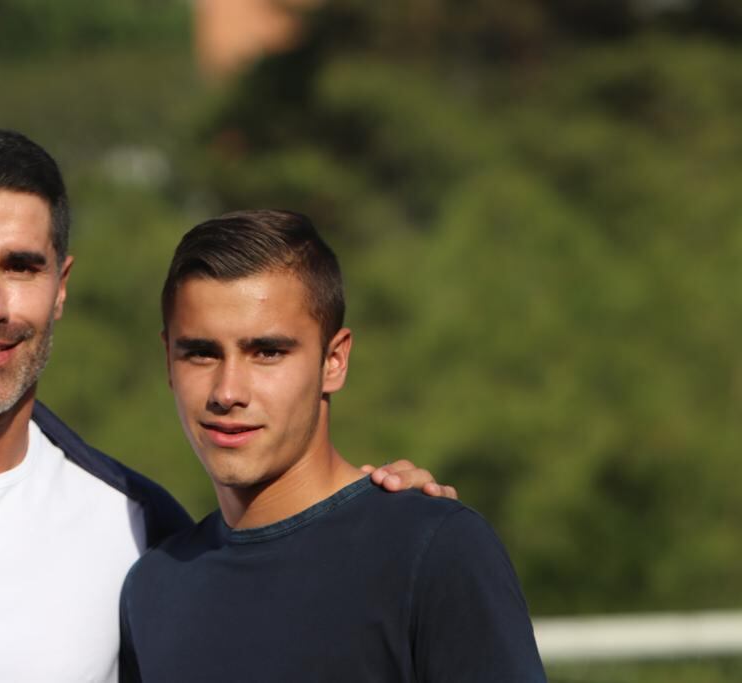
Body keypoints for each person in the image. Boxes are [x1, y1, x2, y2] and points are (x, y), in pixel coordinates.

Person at [0, 129, 450, 683]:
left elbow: (278, 586)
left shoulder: (140, 525)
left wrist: (385, 519)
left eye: (21, 266)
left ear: (61, 285)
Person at [119, 210, 546, 682]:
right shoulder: (153, 589)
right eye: (201, 352)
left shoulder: (431, 550)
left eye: (267, 352)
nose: (227, 391)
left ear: (334, 360)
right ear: (167, 360)